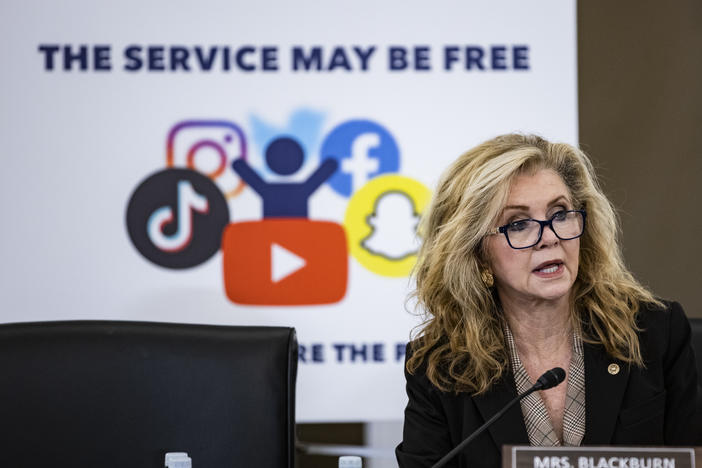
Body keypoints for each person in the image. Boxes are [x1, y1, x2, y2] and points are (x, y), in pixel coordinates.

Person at [396, 134, 701, 468]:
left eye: (559, 213)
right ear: (477, 254)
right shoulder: (441, 367)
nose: (550, 237)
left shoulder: (654, 333)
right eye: (519, 223)